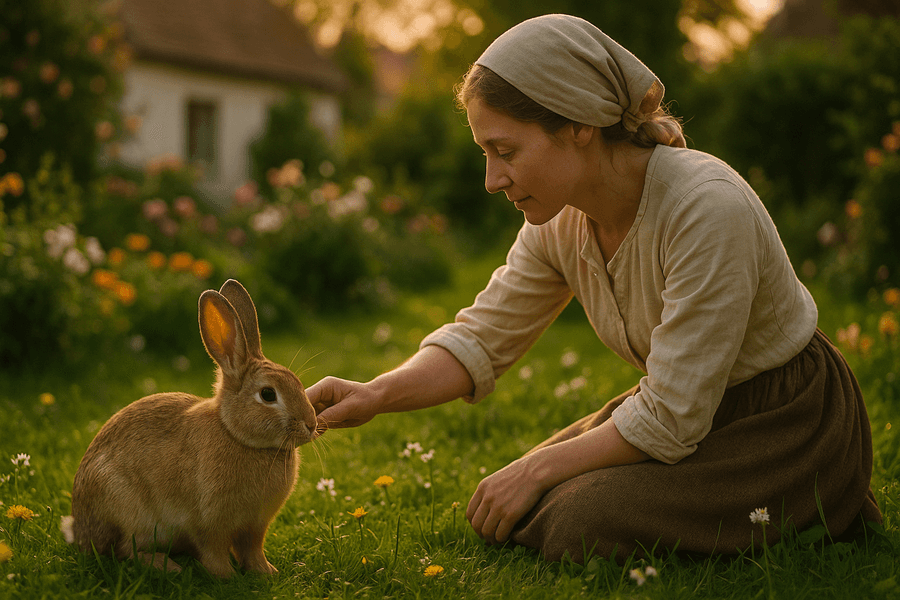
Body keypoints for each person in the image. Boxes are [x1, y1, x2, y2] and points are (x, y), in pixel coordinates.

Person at [308, 14, 882, 562]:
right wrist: (376, 394)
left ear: (580, 124)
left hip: (785, 420)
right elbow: (481, 338)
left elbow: (672, 416)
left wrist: (536, 468)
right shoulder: (559, 219)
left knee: (574, 518)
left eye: (506, 152)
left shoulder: (706, 208)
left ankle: (820, 503)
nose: (491, 180)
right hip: (687, 411)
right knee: (525, 509)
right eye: (486, 154)